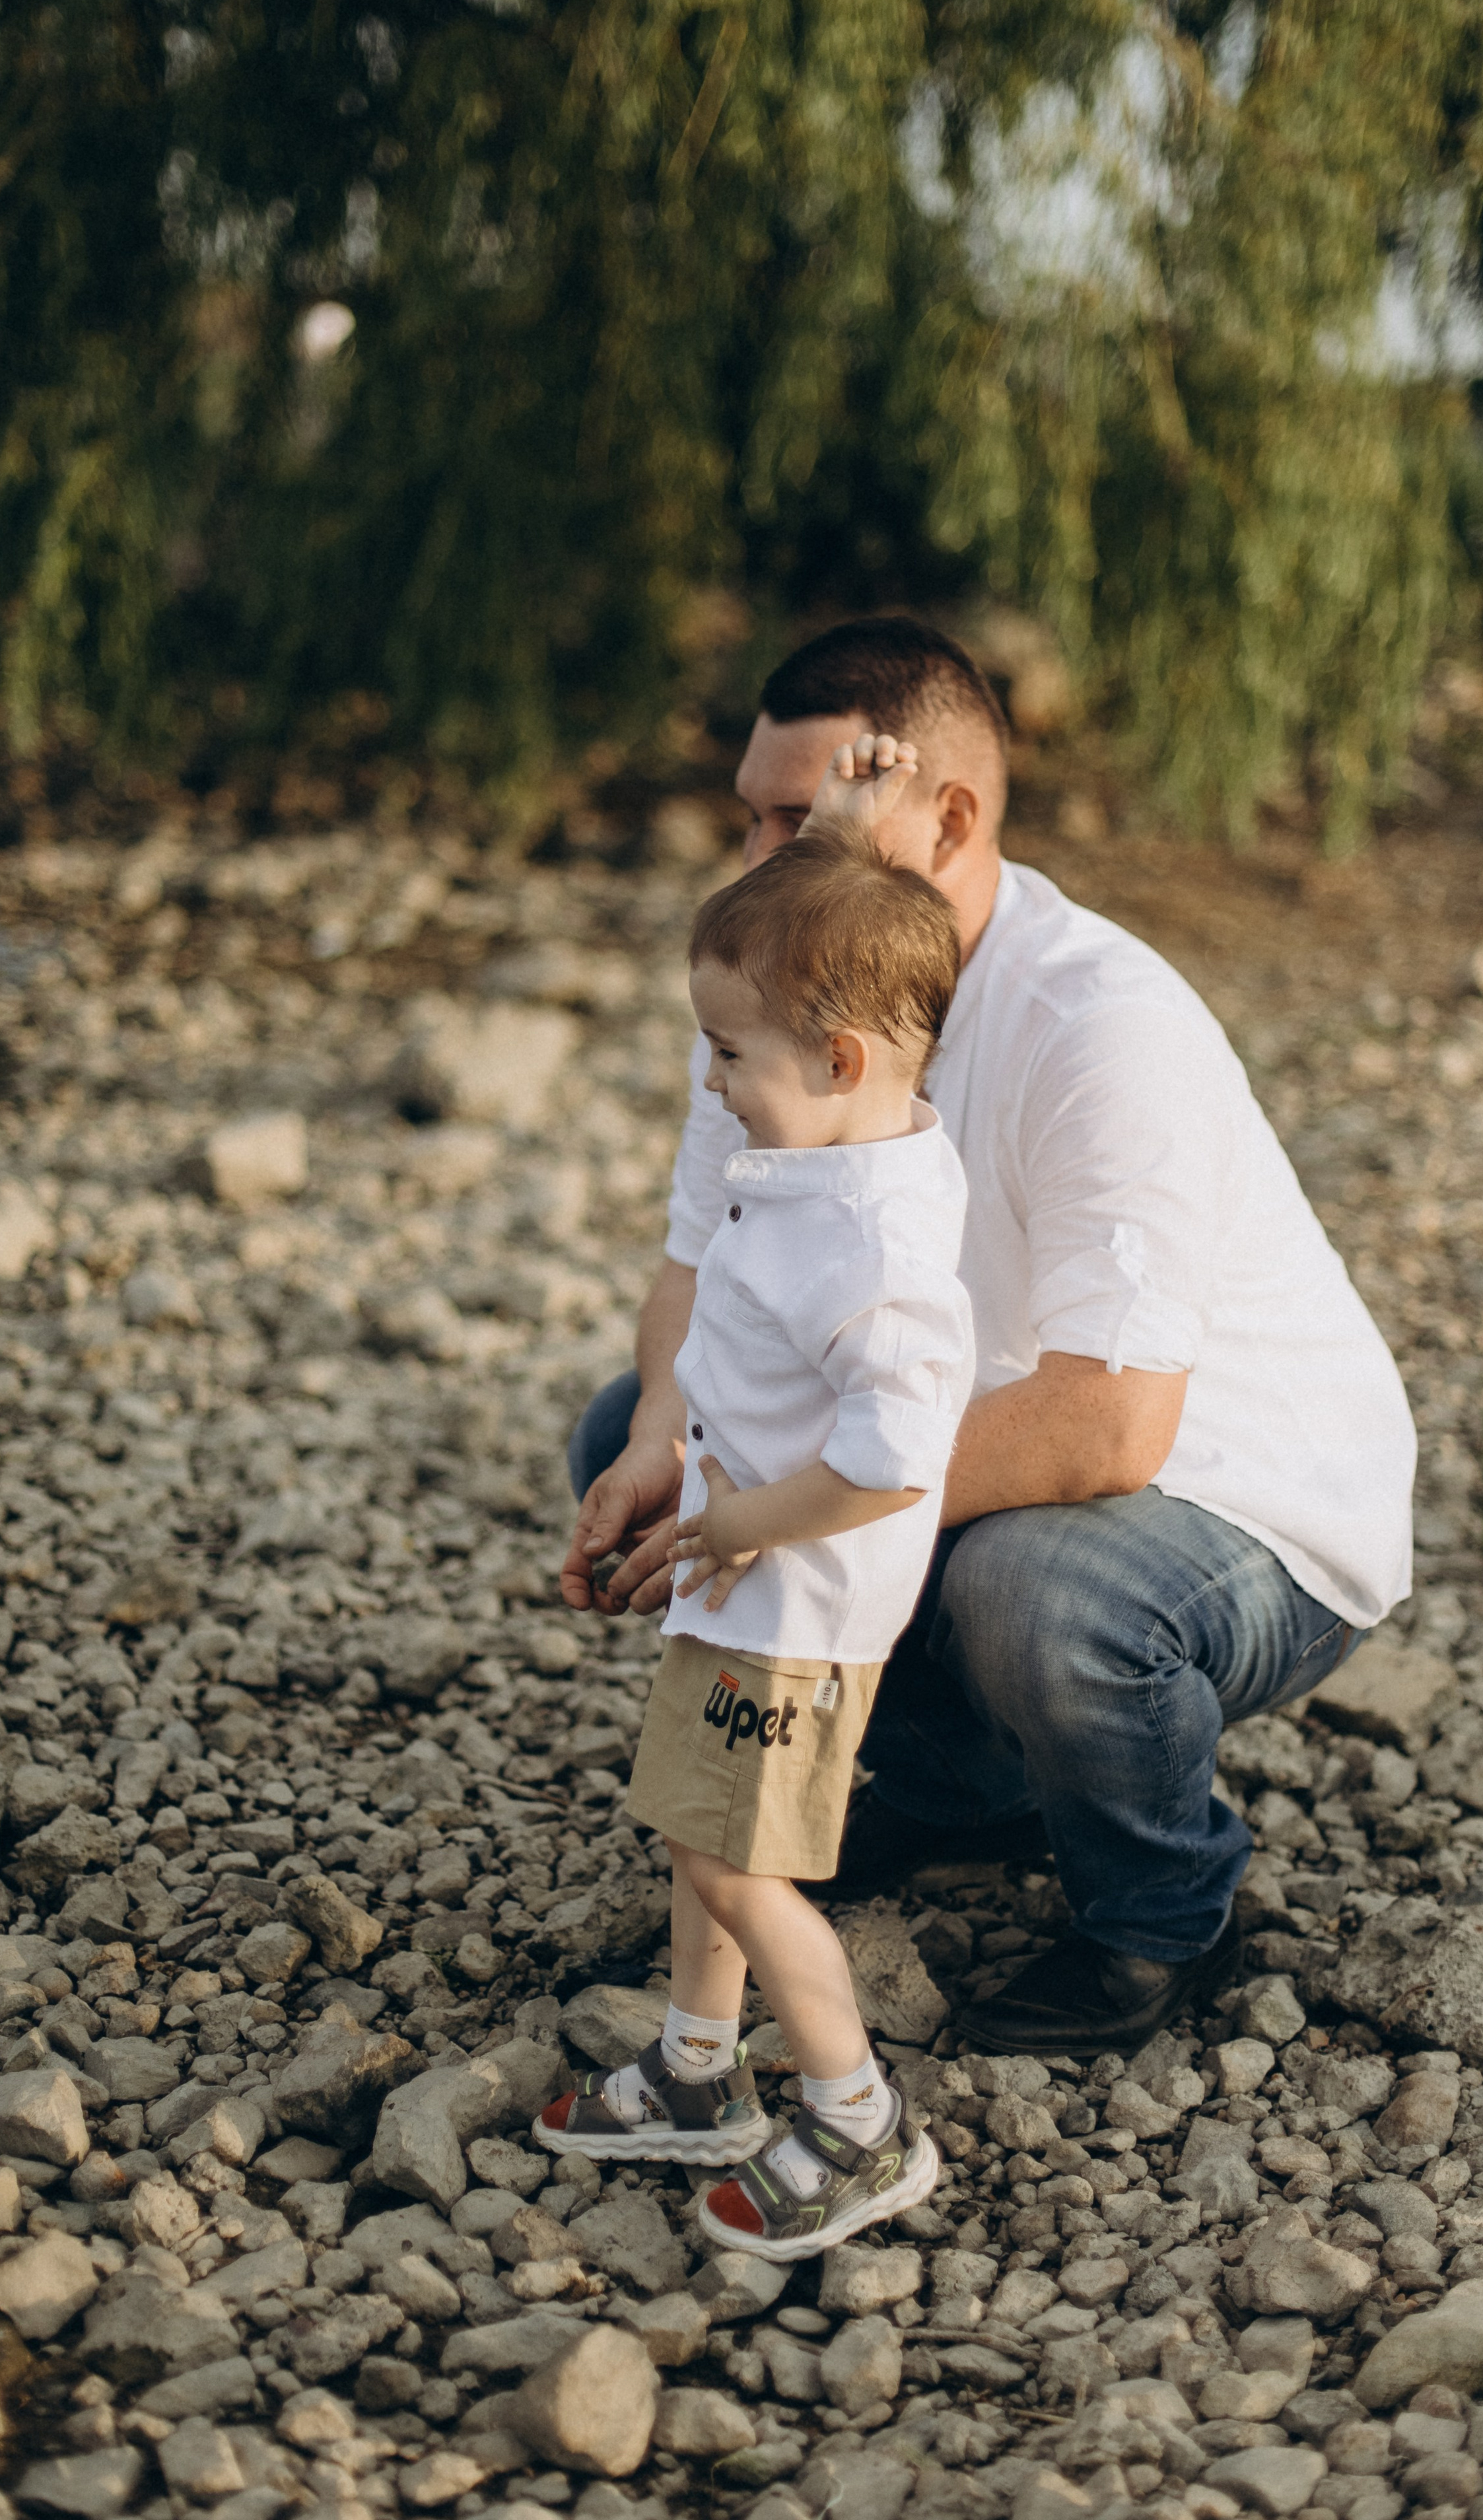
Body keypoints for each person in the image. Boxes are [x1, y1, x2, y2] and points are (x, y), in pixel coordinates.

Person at [562, 614, 1416, 2060]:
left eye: (807, 815)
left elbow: (1107, 1426)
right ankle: (959, 1790)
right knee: (625, 1429)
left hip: (1235, 1493)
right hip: (952, 1433)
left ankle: (1160, 1915)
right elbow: (692, 1265)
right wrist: (666, 1442)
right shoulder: (792, 981)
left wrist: (770, 1510)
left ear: (944, 815)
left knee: (1038, 1593)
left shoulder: (1102, 1024)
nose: (763, 853)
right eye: (759, 818)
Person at [534, 809, 977, 2258]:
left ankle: (855, 2115)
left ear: (841, 1062)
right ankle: (696, 2063)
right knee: (696, 1833)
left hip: (793, 1607)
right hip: (742, 1584)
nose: (709, 1084)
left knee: (734, 1858)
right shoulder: (826, 1169)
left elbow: (895, 1456)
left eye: (729, 1056)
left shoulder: (877, 1243)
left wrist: (737, 1526)